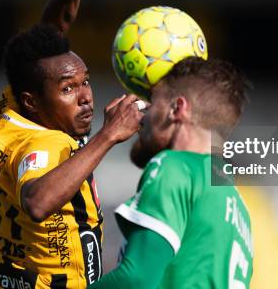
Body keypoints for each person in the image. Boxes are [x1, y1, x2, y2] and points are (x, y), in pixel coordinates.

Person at [0, 0, 144, 289]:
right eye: (69, 89)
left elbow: (45, 48)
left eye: (84, 82)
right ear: (32, 102)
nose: (86, 96)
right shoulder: (42, 142)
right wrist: (109, 135)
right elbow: (37, 202)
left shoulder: (13, 110)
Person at [90, 57, 254, 289]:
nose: (143, 115)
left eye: (153, 101)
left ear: (177, 108)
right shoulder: (238, 206)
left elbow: (137, 278)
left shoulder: (176, 167)